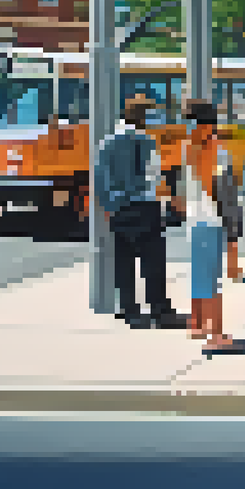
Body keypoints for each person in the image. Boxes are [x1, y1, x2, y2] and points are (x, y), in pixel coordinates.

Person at [95, 95, 179, 330]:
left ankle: (130, 310)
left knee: (123, 262)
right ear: (144, 117)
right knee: (153, 262)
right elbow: (153, 174)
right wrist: (165, 199)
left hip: (119, 208)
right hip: (145, 206)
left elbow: (100, 179)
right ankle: (160, 310)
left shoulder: (107, 142)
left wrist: (109, 207)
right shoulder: (147, 141)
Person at [182, 99, 238, 353]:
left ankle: (196, 324)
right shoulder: (217, 151)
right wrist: (233, 237)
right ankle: (216, 333)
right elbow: (225, 195)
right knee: (211, 277)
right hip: (210, 218)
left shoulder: (187, 148)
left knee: (198, 272)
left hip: (194, 218)